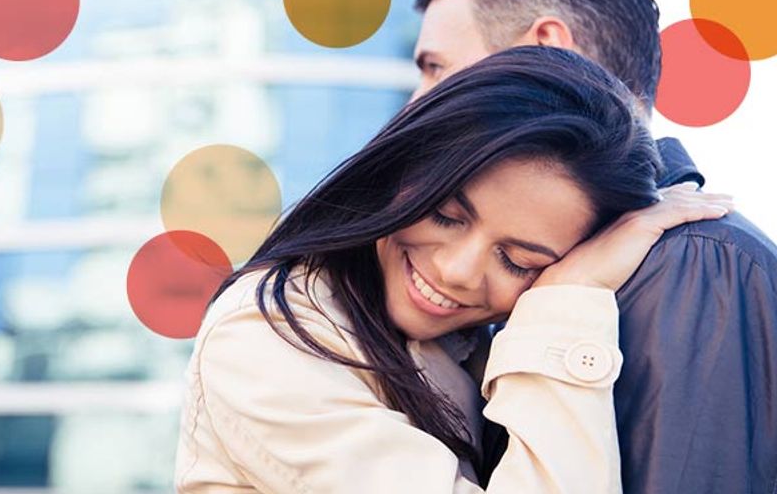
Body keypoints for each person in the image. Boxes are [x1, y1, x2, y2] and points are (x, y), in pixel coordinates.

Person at [173, 46, 733, 492]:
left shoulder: (467, 346)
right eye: (444, 215)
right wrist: (570, 295)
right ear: (401, 169)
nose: (460, 270)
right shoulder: (267, 341)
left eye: (518, 260)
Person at [410, 0, 777, 493]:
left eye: (436, 68)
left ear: (547, 50)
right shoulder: (566, 258)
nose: (419, 101)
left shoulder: (691, 264)